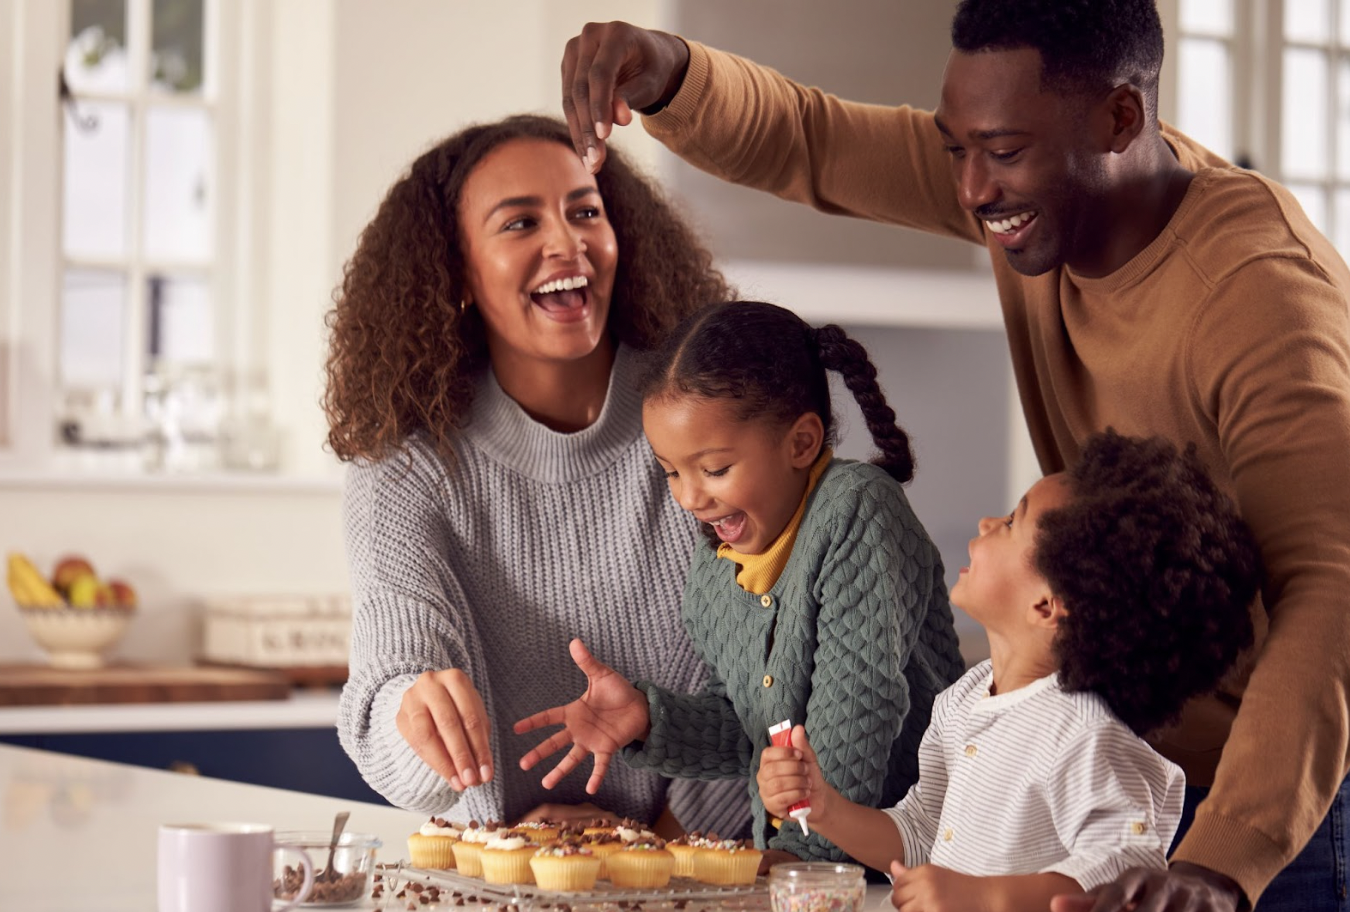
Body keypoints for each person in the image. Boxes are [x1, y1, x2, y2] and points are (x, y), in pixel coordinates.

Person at [556, 1, 1350, 908]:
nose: (972, 191)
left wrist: (1223, 860)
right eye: (956, 150)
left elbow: (1330, 588)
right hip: (1109, 751)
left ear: (1122, 119)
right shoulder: (1042, 186)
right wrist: (673, 73)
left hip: (1271, 803)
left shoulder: (1259, 301)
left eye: (1003, 152)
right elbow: (815, 141)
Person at [324, 113, 750, 837]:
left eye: (586, 212)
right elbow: (390, 684)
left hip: (702, 868)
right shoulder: (406, 468)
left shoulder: (709, 420)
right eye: (520, 224)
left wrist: (644, 847)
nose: (568, 242)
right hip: (500, 877)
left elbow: (769, 680)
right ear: (455, 273)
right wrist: (417, 717)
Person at [513, 300, 966, 871]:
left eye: (715, 469)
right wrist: (648, 720)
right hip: (804, 870)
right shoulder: (716, 569)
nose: (689, 497)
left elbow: (860, 716)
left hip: (916, 865)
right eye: (671, 471)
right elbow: (751, 732)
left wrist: (794, 865)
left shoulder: (858, 513)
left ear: (801, 443)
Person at [758, 430, 1262, 912]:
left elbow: (1121, 870)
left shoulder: (1086, 735)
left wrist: (985, 899)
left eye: (1010, 523)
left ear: (1046, 605)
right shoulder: (964, 700)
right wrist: (824, 807)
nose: (985, 524)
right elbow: (918, 835)